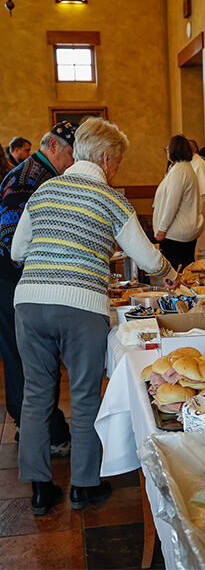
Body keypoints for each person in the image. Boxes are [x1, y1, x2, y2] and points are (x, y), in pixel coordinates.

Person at [11, 117, 179, 516]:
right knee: (85, 396)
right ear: (105, 157)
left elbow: (18, 251)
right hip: (81, 305)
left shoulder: (45, 190)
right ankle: (84, 486)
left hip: (29, 302)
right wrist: (172, 276)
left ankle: (40, 490)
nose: (116, 168)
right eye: (118, 161)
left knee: (36, 395)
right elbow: (149, 258)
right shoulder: (111, 199)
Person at [0, 122, 77, 455]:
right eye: (72, 154)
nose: (73, 163)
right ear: (55, 147)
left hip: (23, 281)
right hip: (12, 281)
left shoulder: (41, 173)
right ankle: (43, 432)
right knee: (24, 358)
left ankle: (35, 427)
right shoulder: (26, 178)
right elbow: (10, 240)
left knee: (32, 358)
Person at [153, 135, 202, 269]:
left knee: (174, 273)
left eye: (167, 148)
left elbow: (172, 204)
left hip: (175, 234)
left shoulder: (179, 171)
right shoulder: (183, 168)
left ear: (174, 150)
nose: (166, 151)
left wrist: (161, 230)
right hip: (181, 232)